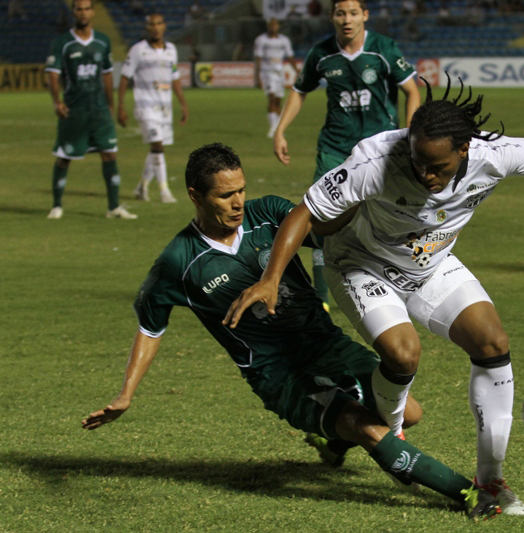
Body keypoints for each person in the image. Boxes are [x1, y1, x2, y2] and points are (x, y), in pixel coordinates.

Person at [223, 77, 524, 515]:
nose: (424, 174)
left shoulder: (496, 153)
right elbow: (305, 212)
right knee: (402, 353)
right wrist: (271, 277)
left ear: (464, 150)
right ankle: (390, 437)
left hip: (432, 265)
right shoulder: (376, 159)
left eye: (436, 166)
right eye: (417, 162)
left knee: (492, 343)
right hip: (360, 264)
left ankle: (491, 480)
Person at [80, 143, 501, 521]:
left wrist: (365, 195)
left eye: (241, 189)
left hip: (326, 343)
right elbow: (150, 327)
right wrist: (126, 394)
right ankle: (465, 492)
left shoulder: (267, 214)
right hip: (277, 374)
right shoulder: (179, 261)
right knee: (366, 426)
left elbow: (326, 230)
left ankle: (333, 444)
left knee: (411, 413)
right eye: (225, 195)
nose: (238, 201)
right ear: (195, 195)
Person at [272, 0, 421, 306]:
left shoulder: (383, 48)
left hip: (380, 150)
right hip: (334, 148)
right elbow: (299, 90)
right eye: (340, 13)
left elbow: (412, 91)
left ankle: (397, 284)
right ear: (332, 17)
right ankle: (319, 298)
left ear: (365, 15)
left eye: (353, 13)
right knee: (319, 216)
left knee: (389, 217)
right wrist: (280, 130)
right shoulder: (321, 53)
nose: (347, 19)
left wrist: (410, 137)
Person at [45, 0, 137, 220]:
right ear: (74, 12)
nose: (83, 13)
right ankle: (56, 205)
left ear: (93, 12)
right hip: (74, 110)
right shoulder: (63, 43)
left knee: (109, 153)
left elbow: (107, 74)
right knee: (64, 157)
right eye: (79, 9)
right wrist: (57, 101)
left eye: (87, 9)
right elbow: (52, 74)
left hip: (99, 110)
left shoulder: (103, 41)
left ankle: (113, 207)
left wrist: (111, 104)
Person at [118, 13, 189, 204]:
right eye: (151, 24)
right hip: (145, 107)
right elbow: (124, 77)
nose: (155, 27)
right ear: (147, 27)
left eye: (159, 24)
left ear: (164, 26)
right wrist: (121, 107)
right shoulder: (138, 50)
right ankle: (164, 191)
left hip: (165, 109)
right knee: (157, 146)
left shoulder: (171, 50)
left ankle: (142, 187)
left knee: (156, 149)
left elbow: (175, 78)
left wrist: (182, 104)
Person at [254, 18, 300, 139]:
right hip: (267, 72)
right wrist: (257, 76)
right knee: (272, 98)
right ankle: (273, 129)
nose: (273, 27)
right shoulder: (261, 40)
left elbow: (290, 56)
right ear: (268, 26)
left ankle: (277, 129)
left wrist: (297, 70)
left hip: (279, 73)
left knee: (278, 101)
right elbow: (258, 58)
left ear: (278, 26)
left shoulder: (284, 40)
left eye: (275, 24)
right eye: (271, 24)